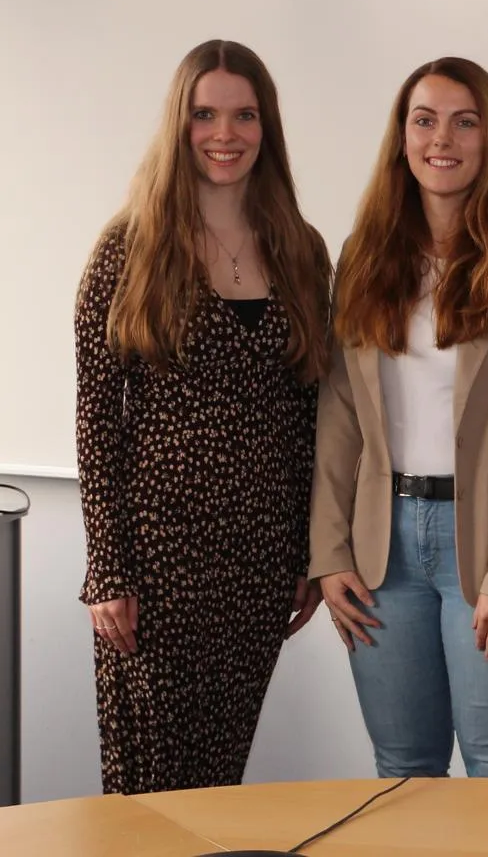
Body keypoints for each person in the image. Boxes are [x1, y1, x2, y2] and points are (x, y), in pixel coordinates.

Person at [311, 56, 488, 779]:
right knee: (402, 769)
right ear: (402, 139)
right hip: (382, 552)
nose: (442, 138)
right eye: (425, 120)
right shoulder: (366, 257)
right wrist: (329, 552)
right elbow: (341, 413)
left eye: (464, 121)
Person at [74, 39, 332, 794]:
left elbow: (311, 413)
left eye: (244, 115)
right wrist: (107, 570)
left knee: (219, 785)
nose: (226, 134)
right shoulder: (129, 249)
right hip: (156, 564)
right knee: (149, 792)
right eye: (205, 114)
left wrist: (309, 552)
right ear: (179, 124)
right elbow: (96, 418)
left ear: (266, 126)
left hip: (259, 564)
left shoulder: (301, 250)